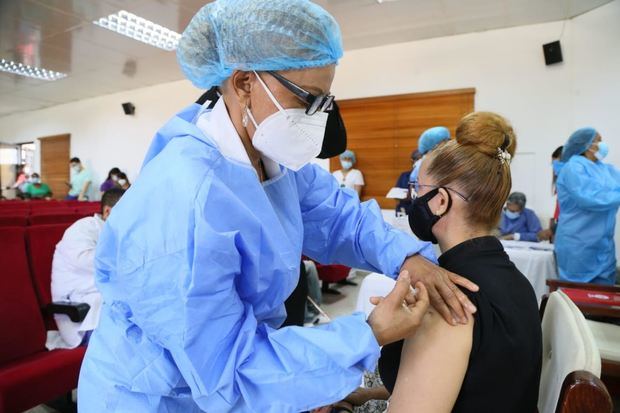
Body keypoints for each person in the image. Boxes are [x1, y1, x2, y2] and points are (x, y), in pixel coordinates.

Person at [78, 2, 478, 412]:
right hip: (161, 396)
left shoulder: (270, 157)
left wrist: (406, 257)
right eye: (307, 99)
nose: (316, 119)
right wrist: (369, 333)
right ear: (244, 83)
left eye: (325, 103)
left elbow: (337, 216)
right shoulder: (184, 202)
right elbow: (228, 373)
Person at [375, 112, 541, 412]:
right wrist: (364, 396)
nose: (414, 201)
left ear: (440, 201)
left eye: (418, 191)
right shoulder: (518, 281)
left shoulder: (448, 302)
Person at [46, 188, 126, 350]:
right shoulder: (83, 228)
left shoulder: (117, 235)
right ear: (108, 212)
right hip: (82, 314)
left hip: (105, 306)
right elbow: (89, 263)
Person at [555, 127, 620, 285]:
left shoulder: (606, 170)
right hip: (578, 244)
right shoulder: (573, 167)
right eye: (598, 140)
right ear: (586, 145)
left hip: (604, 246)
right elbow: (590, 198)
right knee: (576, 300)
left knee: (603, 301)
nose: (602, 144)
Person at [395, 149, 422, 215]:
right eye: (417, 160)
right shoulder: (404, 176)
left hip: (419, 212)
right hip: (404, 210)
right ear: (412, 161)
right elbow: (396, 193)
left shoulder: (428, 178)